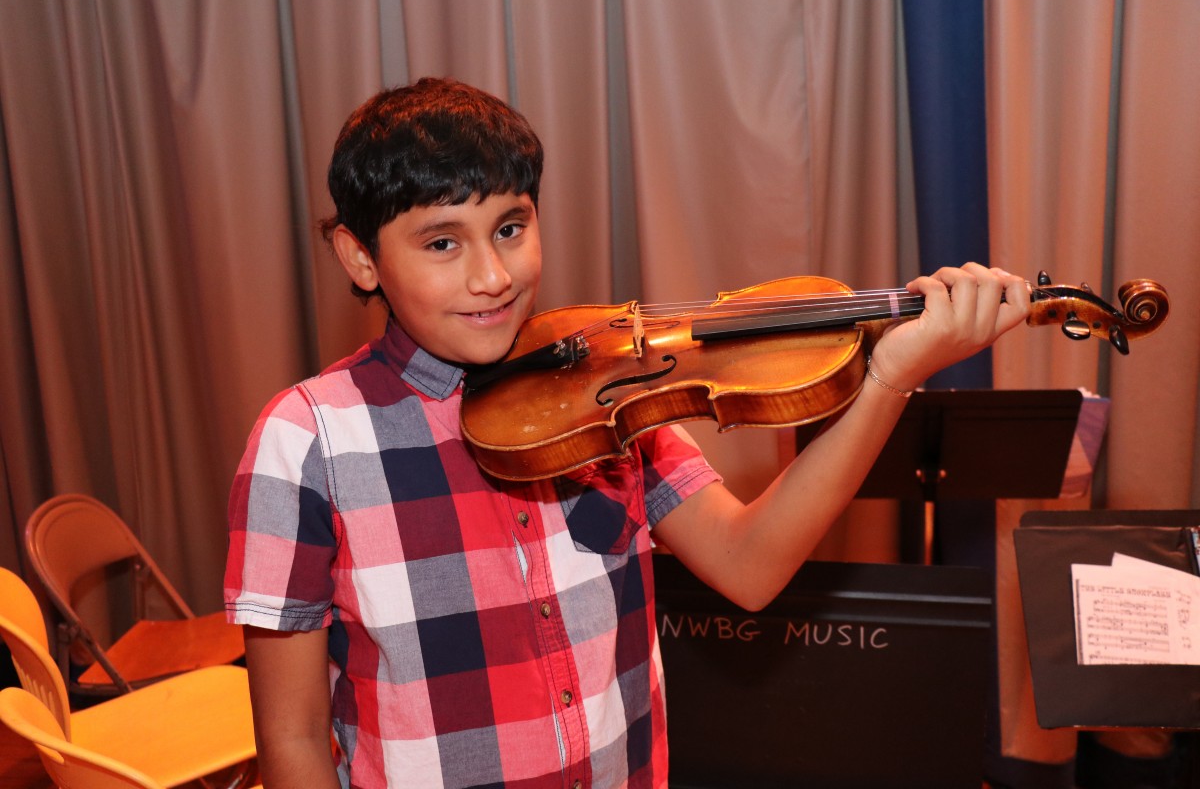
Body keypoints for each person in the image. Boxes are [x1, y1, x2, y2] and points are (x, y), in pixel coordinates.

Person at [224, 77, 1031, 789]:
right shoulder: (307, 441)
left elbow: (751, 565)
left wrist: (889, 378)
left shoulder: (607, 388)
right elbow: (292, 737)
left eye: (511, 227)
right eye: (442, 243)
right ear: (359, 257)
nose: (492, 277)